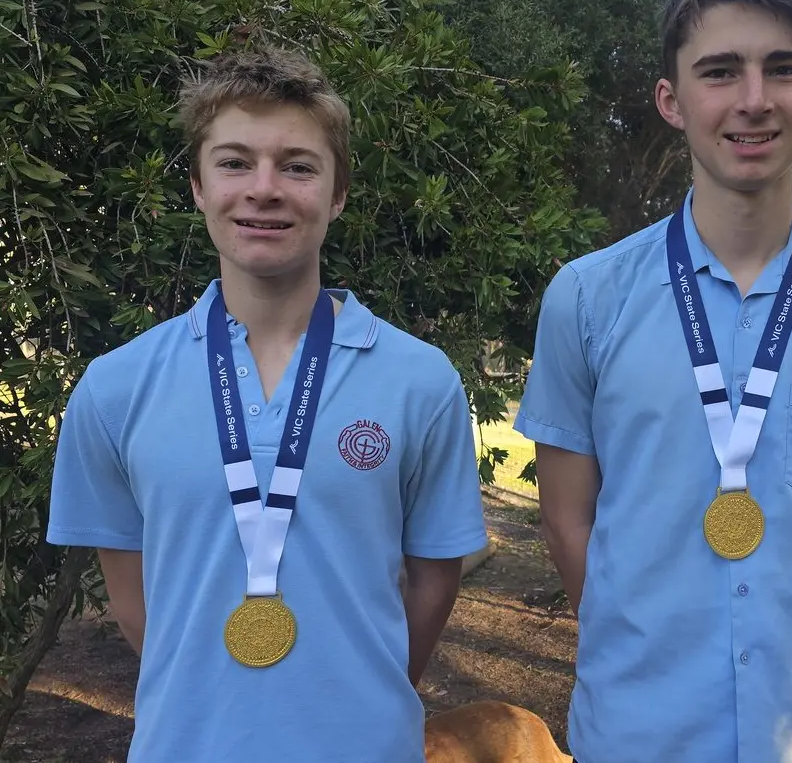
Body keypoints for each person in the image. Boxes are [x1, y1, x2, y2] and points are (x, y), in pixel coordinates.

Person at [512, 0, 792, 761]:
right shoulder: (585, 298)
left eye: (781, 69)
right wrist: (648, 642)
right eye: (719, 72)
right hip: (636, 734)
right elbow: (567, 521)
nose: (754, 100)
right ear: (671, 99)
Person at [47, 45, 488, 762]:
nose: (264, 189)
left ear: (338, 193)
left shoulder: (421, 379)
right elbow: (131, 589)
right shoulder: (116, 385)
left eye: (298, 165)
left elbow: (434, 576)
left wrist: (358, 691)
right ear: (197, 185)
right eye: (234, 162)